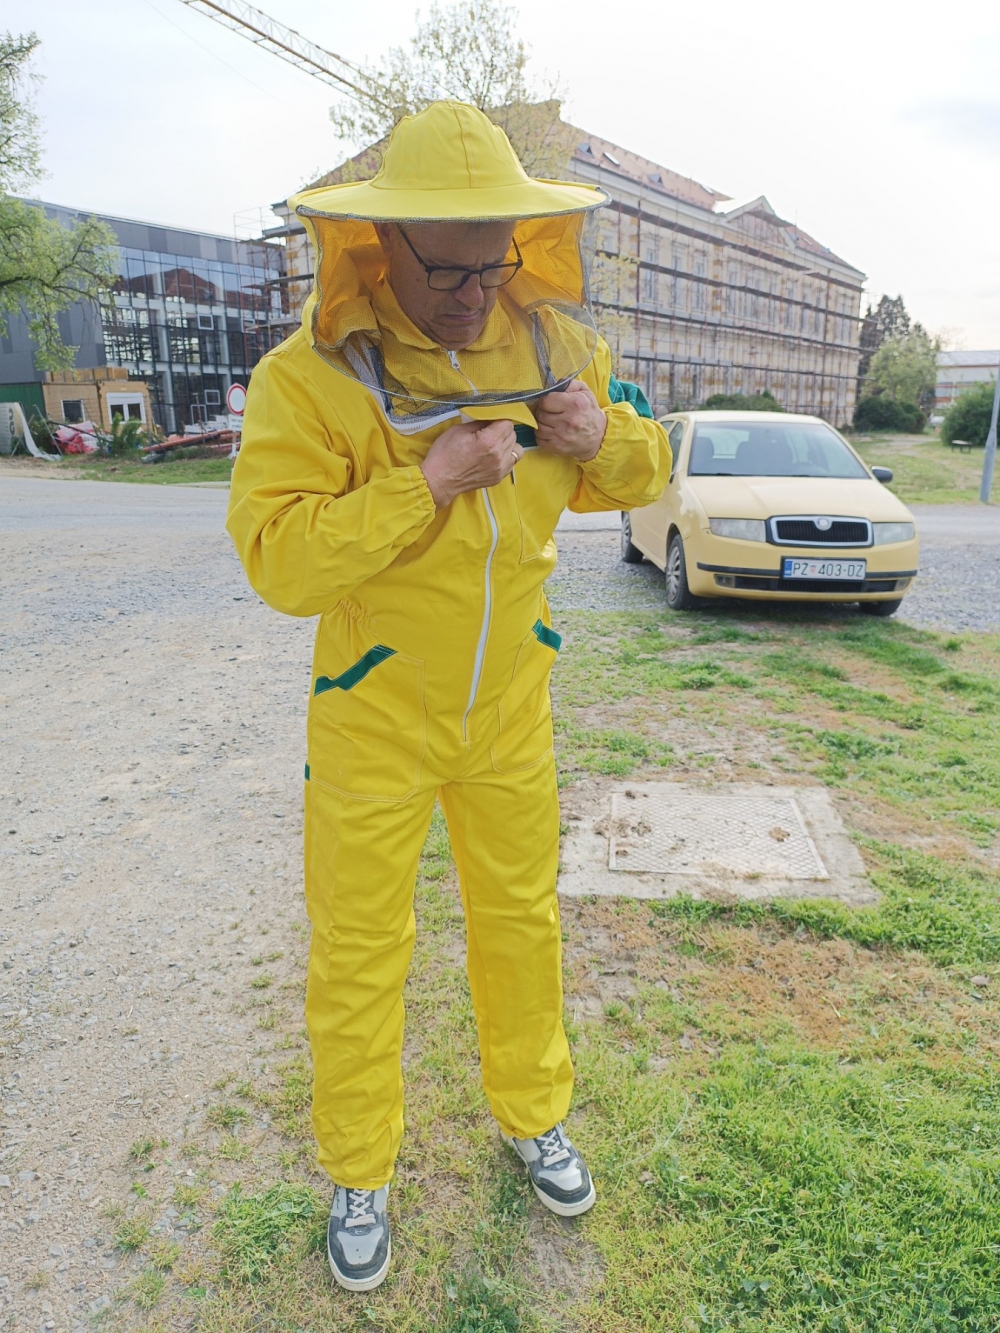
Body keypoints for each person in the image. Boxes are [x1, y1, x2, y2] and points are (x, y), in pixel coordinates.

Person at [226, 100, 671, 1293]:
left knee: (521, 924)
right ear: (387, 245)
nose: (478, 290)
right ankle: (360, 1169)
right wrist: (423, 483)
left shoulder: (554, 349)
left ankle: (534, 1114)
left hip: (510, 709)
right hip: (373, 712)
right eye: (453, 267)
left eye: (498, 260)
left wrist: (598, 442)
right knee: (362, 949)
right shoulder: (310, 378)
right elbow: (279, 561)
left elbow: (640, 467)